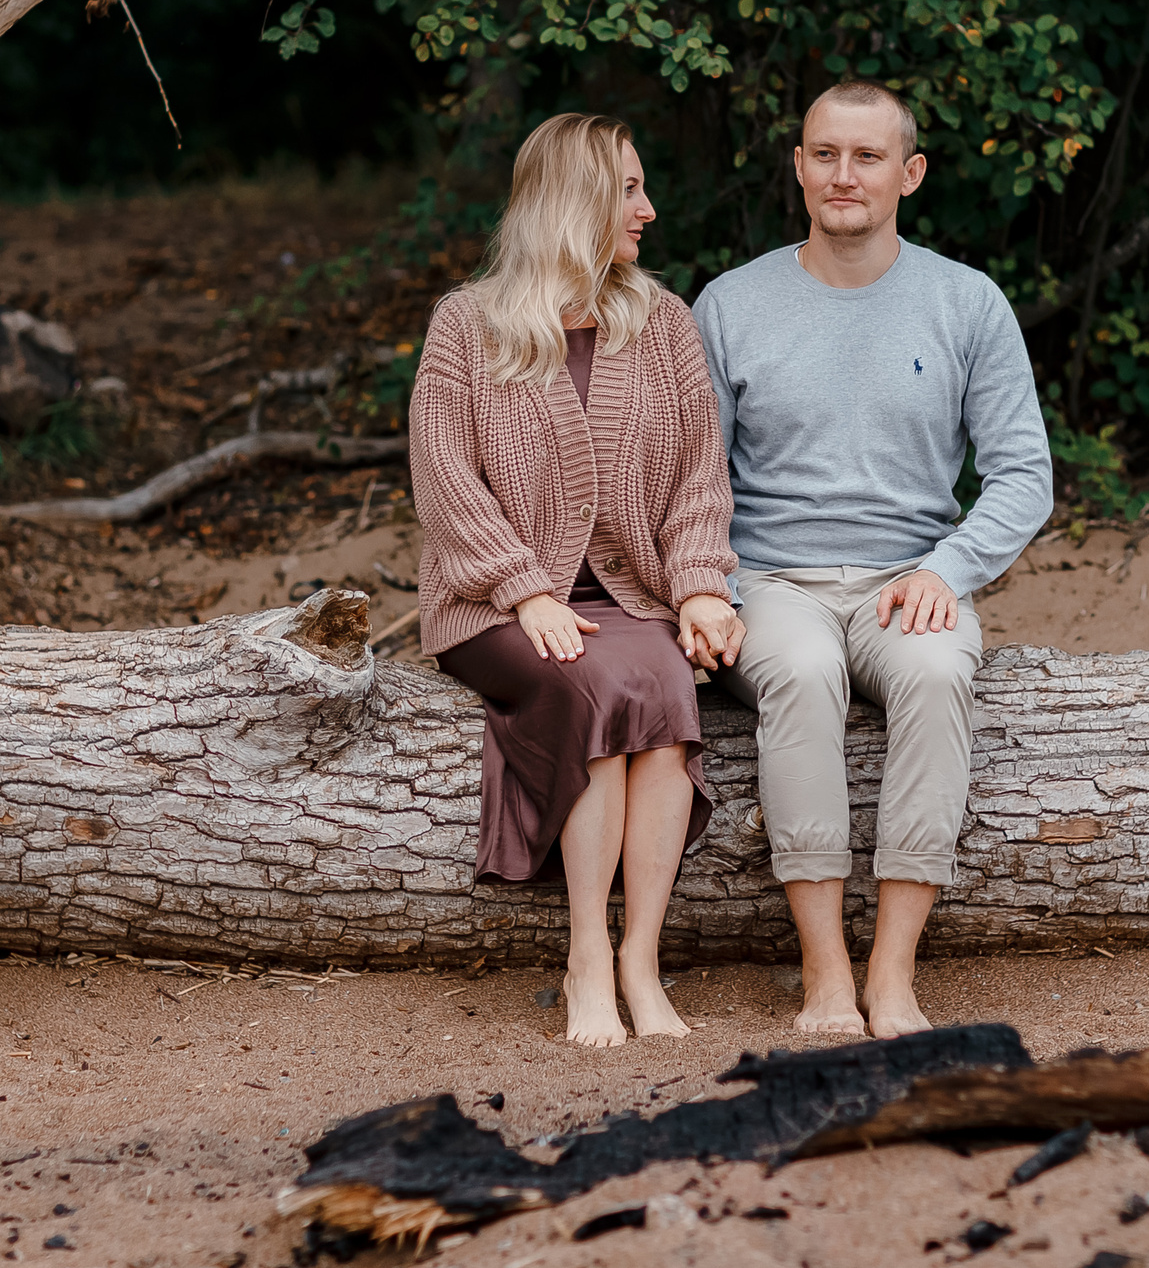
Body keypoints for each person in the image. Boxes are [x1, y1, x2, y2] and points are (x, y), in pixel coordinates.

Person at [695, 80, 1052, 1039]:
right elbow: (690, 479)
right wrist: (709, 588)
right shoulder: (730, 304)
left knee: (936, 673)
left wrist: (950, 569)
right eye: (824, 154)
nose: (842, 175)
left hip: (911, 579)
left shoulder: (965, 302)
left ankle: (893, 974)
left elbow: (1024, 474)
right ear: (798, 166)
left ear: (911, 172)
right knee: (804, 672)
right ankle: (824, 973)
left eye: (866, 156)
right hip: (772, 580)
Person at [410, 113, 747, 1048]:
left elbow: (699, 475)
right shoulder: (467, 324)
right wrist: (525, 588)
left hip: (629, 594)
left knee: (667, 683)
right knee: (593, 684)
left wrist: (698, 585)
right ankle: (586, 956)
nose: (648, 208)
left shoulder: (662, 321)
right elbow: (443, 478)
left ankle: (641, 956)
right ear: (573, 200)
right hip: (491, 601)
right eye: (628, 189)